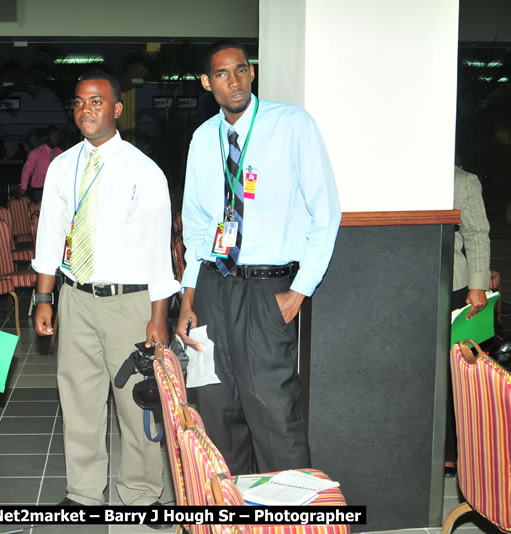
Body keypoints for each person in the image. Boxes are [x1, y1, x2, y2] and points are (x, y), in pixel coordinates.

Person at [177, 41, 341, 475]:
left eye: (241, 70)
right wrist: (188, 298)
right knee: (217, 412)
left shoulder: (291, 124)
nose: (234, 80)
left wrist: (299, 291)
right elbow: (195, 226)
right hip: (212, 287)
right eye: (223, 73)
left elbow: (325, 213)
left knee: (274, 416)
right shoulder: (201, 139)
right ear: (206, 82)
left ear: (251, 73)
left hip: (268, 291)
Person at [33, 70, 178, 509]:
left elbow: (158, 251)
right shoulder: (62, 165)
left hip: (129, 304)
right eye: (78, 102)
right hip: (75, 298)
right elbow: (51, 236)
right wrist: (44, 298)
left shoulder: (143, 170)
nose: (85, 111)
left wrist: (158, 315)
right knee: (77, 400)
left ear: (116, 108)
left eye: (96, 102)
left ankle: (139, 493)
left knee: (137, 404)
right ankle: (83, 494)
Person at [446, 164, 492, 473]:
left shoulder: (462, 180)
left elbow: (477, 234)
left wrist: (479, 284)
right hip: (408, 285)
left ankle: (454, 452)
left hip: (454, 287)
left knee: (455, 370)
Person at [19, 126, 62, 203]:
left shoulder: (60, 153)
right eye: (54, 136)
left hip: (55, 190)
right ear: (46, 137)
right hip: (39, 190)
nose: (56, 139)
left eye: (58, 137)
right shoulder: (36, 153)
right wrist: (23, 187)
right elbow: (27, 170)